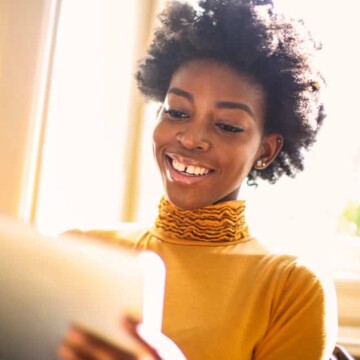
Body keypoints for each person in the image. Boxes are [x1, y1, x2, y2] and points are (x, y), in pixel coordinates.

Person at [58, 0, 339, 358]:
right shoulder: (79, 251)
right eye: (177, 112)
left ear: (266, 150)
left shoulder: (291, 287)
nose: (191, 139)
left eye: (226, 125)